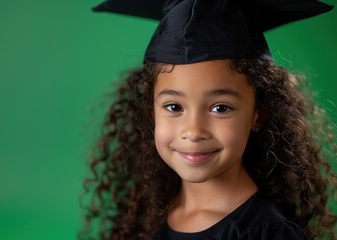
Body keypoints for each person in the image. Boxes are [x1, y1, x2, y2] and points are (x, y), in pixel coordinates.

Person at [80, 0, 337, 239]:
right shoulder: (152, 212)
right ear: (151, 112)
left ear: (259, 113)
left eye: (220, 108)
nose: (193, 131)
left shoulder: (266, 232)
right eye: (173, 106)